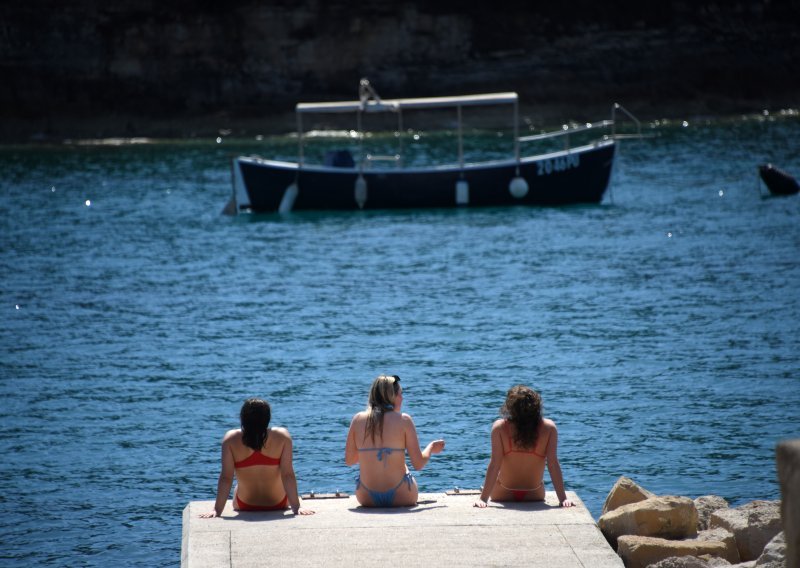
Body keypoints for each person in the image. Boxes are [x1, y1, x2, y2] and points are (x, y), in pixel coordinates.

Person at [200, 398, 314, 517]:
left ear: (243, 418)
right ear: (267, 419)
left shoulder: (231, 439)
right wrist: (297, 507)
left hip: (244, 504)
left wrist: (216, 510)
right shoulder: (282, 436)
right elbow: (288, 475)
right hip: (279, 503)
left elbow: (226, 478)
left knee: (238, 485)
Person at [345, 375, 445, 507]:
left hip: (366, 496)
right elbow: (418, 464)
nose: (402, 398)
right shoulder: (404, 420)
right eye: (400, 394)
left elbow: (349, 460)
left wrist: (369, 450)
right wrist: (431, 447)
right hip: (402, 495)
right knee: (403, 465)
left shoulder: (358, 419)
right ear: (391, 397)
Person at [474, 385, 574, 508]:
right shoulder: (549, 428)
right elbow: (553, 464)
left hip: (502, 492)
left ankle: (484, 493)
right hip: (534, 493)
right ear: (537, 407)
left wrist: (483, 499)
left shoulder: (499, 428)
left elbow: (495, 464)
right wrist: (563, 499)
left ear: (510, 408)